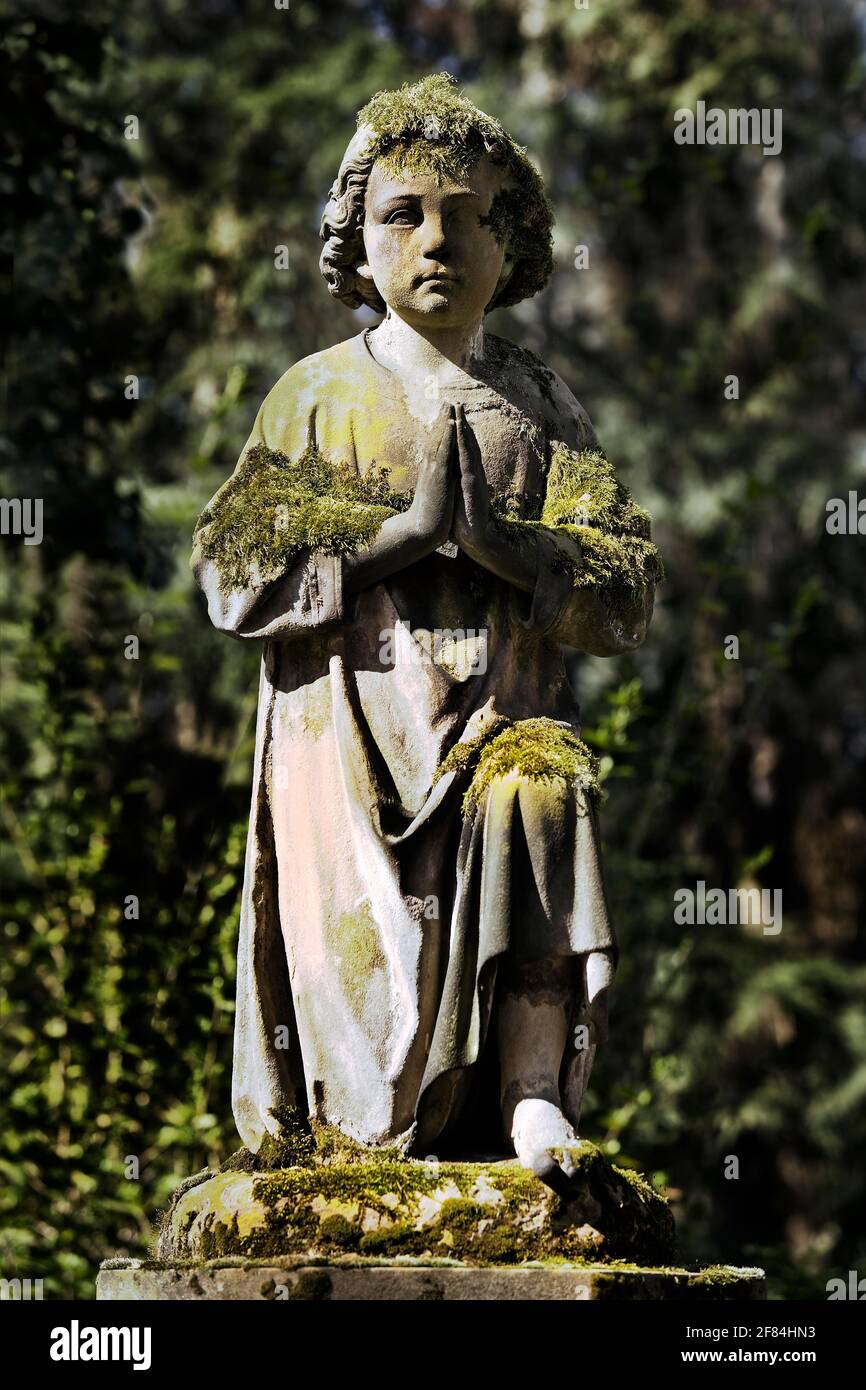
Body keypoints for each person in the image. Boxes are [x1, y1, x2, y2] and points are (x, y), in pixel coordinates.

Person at [191, 74, 661, 1186]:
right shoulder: (315, 396)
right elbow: (228, 572)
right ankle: (360, 1116)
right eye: (403, 214)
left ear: (517, 242)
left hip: (501, 718)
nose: (437, 239)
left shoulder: (540, 407)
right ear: (355, 240)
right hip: (346, 754)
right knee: (366, 1104)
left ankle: (531, 1092)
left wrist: (511, 551)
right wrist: (399, 536)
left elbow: (627, 586)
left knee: (542, 795)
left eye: (469, 214)